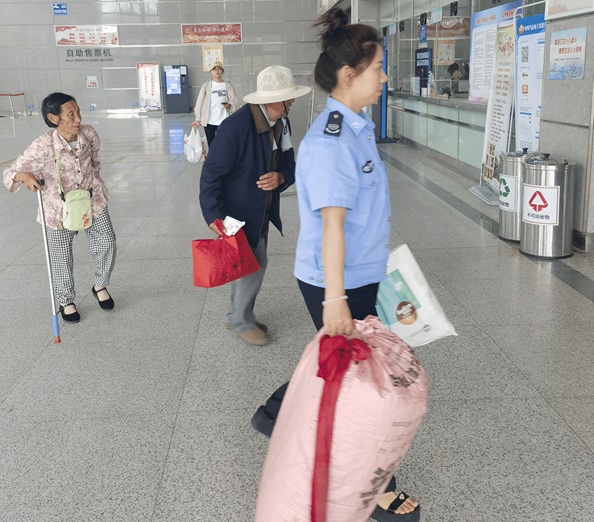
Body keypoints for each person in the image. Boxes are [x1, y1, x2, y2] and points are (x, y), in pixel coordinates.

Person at [251, 9, 420, 521]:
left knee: (346, 365)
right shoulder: (331, 142)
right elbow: (330, 228)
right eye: (378, 68)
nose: (384, 78)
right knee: (361, 376)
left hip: (361, 272)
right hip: (338, 279)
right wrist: (336, 299)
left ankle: (276, 411)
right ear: (349, 74)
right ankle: (381, 487)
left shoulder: (357, 127)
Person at [199, 66, 311, 346]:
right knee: (255, 264)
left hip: (262, 209)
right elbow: (211, 175)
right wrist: (214, 217)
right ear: (270, 100)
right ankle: (241, 321)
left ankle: (236, 315)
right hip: (237, 214)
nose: (292, 101)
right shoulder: (235, 128)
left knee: (248, 264)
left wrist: (282, 177)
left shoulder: (281, 123)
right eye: (287, 98)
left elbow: (290, 163)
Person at [3, 92, 116, 323]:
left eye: (78, 112)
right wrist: (24, 176)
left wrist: (92, 179)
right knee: (61, 257)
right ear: (53, 118)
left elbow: (94, 159)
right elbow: (10, 173)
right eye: (71, 114)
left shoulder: (88, 133)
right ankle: (66, 301)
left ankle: (100, 285)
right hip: (58, 208)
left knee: (107, 242)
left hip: (92, 199)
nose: (78, 119)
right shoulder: (43, 145)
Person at [191, 61, 239, 147]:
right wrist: (197, 119)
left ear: (222, 71)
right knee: (212, 146)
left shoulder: (227, 85)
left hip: (224, 120)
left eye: (219, 68)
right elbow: (199, 103)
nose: (217, 70)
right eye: (214, 69)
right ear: (210, 72)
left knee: (224, 145)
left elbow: (234, 100)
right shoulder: (206, 86)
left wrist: (229, 105)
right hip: (209, 121)